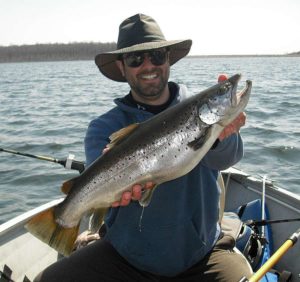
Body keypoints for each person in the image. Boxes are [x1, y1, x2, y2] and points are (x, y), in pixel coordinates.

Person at [34, 13, 252, 282]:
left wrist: (223, 133)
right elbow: (98, 182)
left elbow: (227, 159)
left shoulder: (197, 112)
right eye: (136, 59)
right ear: (122, 66)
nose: (149, 66)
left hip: (201, 254)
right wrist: (115, 188)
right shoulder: (104, 127)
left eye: (157, 56)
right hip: (125, 257)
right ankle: (63, 223)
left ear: (169, 58)